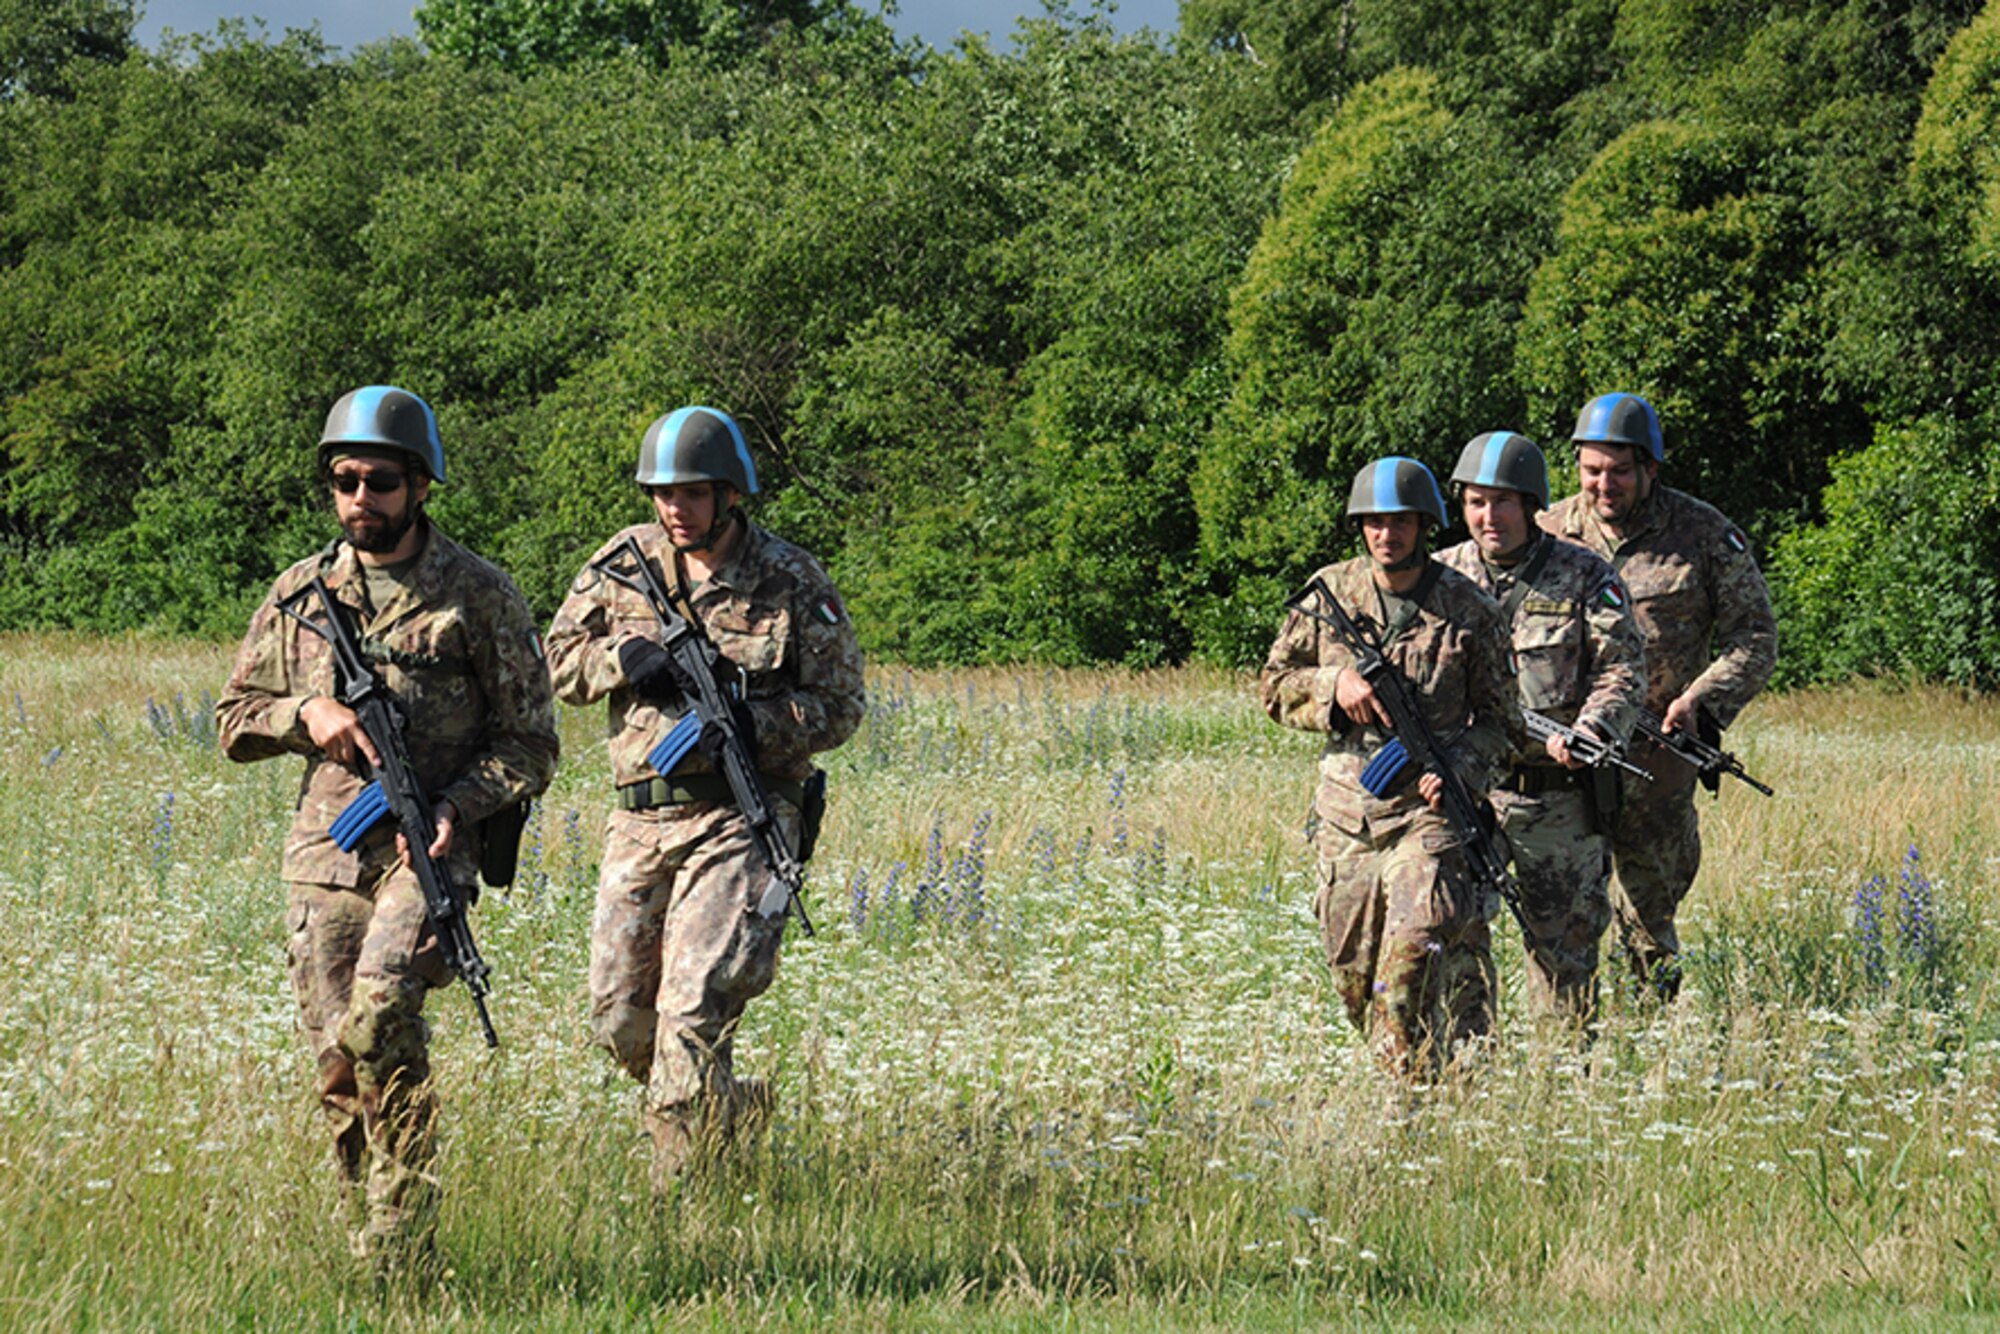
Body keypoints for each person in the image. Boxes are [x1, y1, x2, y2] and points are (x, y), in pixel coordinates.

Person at [216, 386, 559, 1263]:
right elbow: (233, 719)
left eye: (379, 482)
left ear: (420, 486)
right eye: (344, 480)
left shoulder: (478, 595)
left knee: (382, 1015)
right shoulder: (301, 591)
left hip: (428, 850)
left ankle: (403, 1237)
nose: (360, 499)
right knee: (337, 1060)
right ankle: (366, 1216)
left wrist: (457, 804)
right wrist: (308, 717)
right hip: (327, 855)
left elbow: (531, 744)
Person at [545, 405, 864, 1188]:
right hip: (641, 820)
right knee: (622, 1022)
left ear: (730, 494)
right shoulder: (623, 564)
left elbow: (842, 706)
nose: (673, 510)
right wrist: (624, 659)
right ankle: (732, 1106)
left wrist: (753, 727)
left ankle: (681, 1207)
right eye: (662, 493)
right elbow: (554, 661)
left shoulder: (790, 579)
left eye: (690, 494)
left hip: (741, 821)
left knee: (690, 1013)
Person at [1261, 457, 1523, 1078]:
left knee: (1411, 956)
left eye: (1400, 522)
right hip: (1347, 823)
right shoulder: (1330, 592)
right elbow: (1274, 686)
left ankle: (1407, 1103)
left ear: (1424, 524)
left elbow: (1504, 722)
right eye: (1374, 522)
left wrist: (1460, 767)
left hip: (1427, 819)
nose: (1387, 535)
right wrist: (1334, 686)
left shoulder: (1469, 610)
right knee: (1357, 983)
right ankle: (1426, 1069)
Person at [1539, 393, 1777, 999]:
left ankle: (1651, 1037)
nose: (1604, 484)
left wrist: (1703, 700)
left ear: (1651, 468)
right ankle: (1570, 1042)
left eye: (1620, 470)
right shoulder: (1543, 532)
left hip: (1657, 759)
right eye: (1592, 470)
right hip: (1564, 758)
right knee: (1564, 910)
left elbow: (1755, 637)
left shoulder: (1702, 535)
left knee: (1650, 915)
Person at [1437, 431, 1646, 1026]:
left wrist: (1594, 732)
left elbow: (1622, 668)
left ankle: (1561, 1091)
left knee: (1565, 961)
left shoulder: (1583, 574)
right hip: (1468, 796)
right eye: (1476, 503)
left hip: (1556, 800)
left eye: (1503, 502)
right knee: (1452, 936)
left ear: (1531, 503)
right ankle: (1467, 1075)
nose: (1489, 517)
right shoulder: (1440, 576)